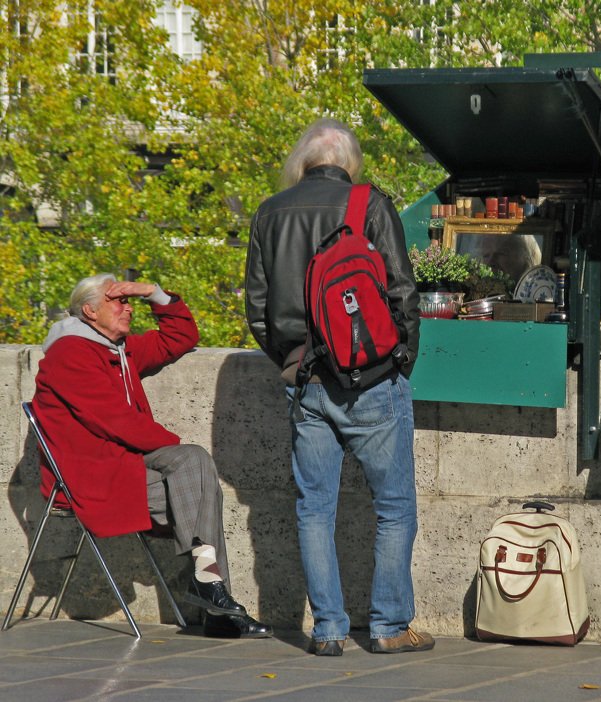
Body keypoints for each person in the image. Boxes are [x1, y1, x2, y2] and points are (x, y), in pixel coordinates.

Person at [244, 118, 431, 656]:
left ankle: (328, 630)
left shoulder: (268, 212)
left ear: (304, 160)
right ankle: (390, 627)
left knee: (313, 508)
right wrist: (398, 364)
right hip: (371, 378)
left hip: (305, 381)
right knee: (394, 507)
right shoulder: (370, 205)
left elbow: (257, 311)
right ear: (350, 163)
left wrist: (294, 360)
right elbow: (403, 295)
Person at [32, 273, 272, 639]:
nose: (128, 307)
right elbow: (116, 421)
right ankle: (214, 600)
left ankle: (210, 592)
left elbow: (182, 338)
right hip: (90, 479)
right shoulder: (71, 353)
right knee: (196, 485)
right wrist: (170, 444)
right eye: (118, 301)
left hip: (124, 465)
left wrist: (153, 293)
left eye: (129, 301)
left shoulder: (118, 348)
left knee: (194, 463)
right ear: (89, 311)